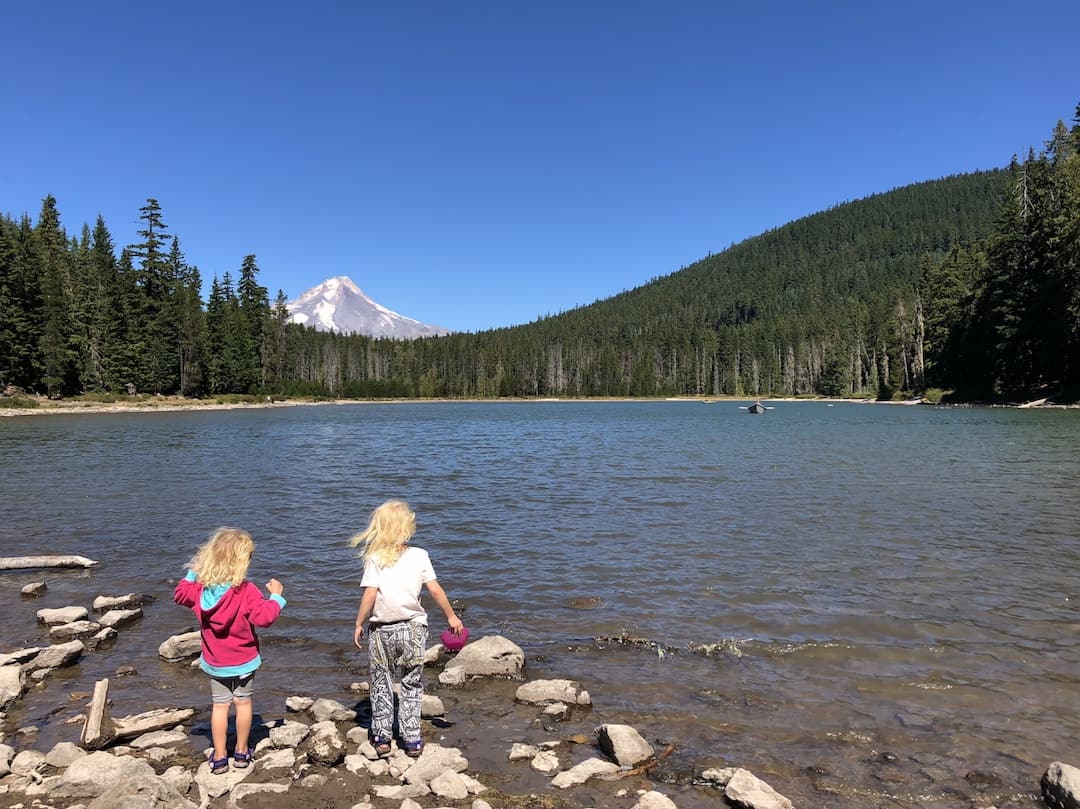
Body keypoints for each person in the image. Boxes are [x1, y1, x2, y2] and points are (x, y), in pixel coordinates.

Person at [351, 499, 463, 758]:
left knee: (381, 682)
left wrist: (358, 623)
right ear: (406, 528)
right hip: (413, 629)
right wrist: (451, 617)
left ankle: (381, 736)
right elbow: (434, 589)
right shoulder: (420, 555)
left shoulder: (374, 558)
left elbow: (370, 594)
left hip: (381, 630)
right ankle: (411, 737)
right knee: (412, 682)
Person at [174, 527, 285, 775]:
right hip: (244, 661)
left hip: (216, 662)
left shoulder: (201, 590)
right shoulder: (246, 591)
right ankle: (242, 752)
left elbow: (180, 593)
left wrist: (195, 569)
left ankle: (220, 756)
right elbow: (265, 617)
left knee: (220, 706)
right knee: (244, 704)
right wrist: (276, 597)